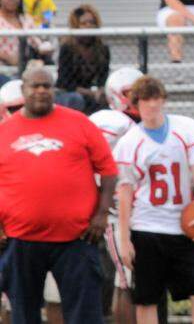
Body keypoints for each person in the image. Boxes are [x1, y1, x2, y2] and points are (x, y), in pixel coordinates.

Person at [0, 65, 118, 323]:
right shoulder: (4, 131)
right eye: (35, 86)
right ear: (23, 90)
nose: (41, 91)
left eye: (46, 86)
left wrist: (101, 214)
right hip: (21, 239)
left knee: (84, 315)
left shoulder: (79, 122)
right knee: (23, 313)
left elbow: (109, 171)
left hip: (76, 237)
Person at [115, 76, 194, 324]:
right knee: (147, 299)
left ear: (163, 100)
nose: (150, 105)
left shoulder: (186, 129)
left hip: (183, 227)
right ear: (135, 104)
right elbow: (125, 191)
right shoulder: (130, 142)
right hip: (147, 226)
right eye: (144, 100)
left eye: (155, 98)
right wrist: (124, 236)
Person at [90, 66, 145, 324]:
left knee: (132, 279)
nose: (136, 98)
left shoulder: (142, 123)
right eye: (130, 93)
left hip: (142, 210)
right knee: (127, 280)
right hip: (116, 210)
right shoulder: (111, 122)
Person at [56, 4, 111, 113]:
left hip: (89, 92)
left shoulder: (102, 48)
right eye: (84, 23)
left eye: (92, 22)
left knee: (105, 100)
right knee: (76, 99)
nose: (88, 26)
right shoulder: (67, 47)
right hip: (67, 93)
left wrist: (101, 91)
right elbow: (64, 82)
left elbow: (103, 77)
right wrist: (89, 93)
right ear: (76, 26)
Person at [0, 0, 49, 69]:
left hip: (28, 65)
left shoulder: (26, 19)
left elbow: (36, 42)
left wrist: (44, 48)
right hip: (3, 67)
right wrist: (7, 57)